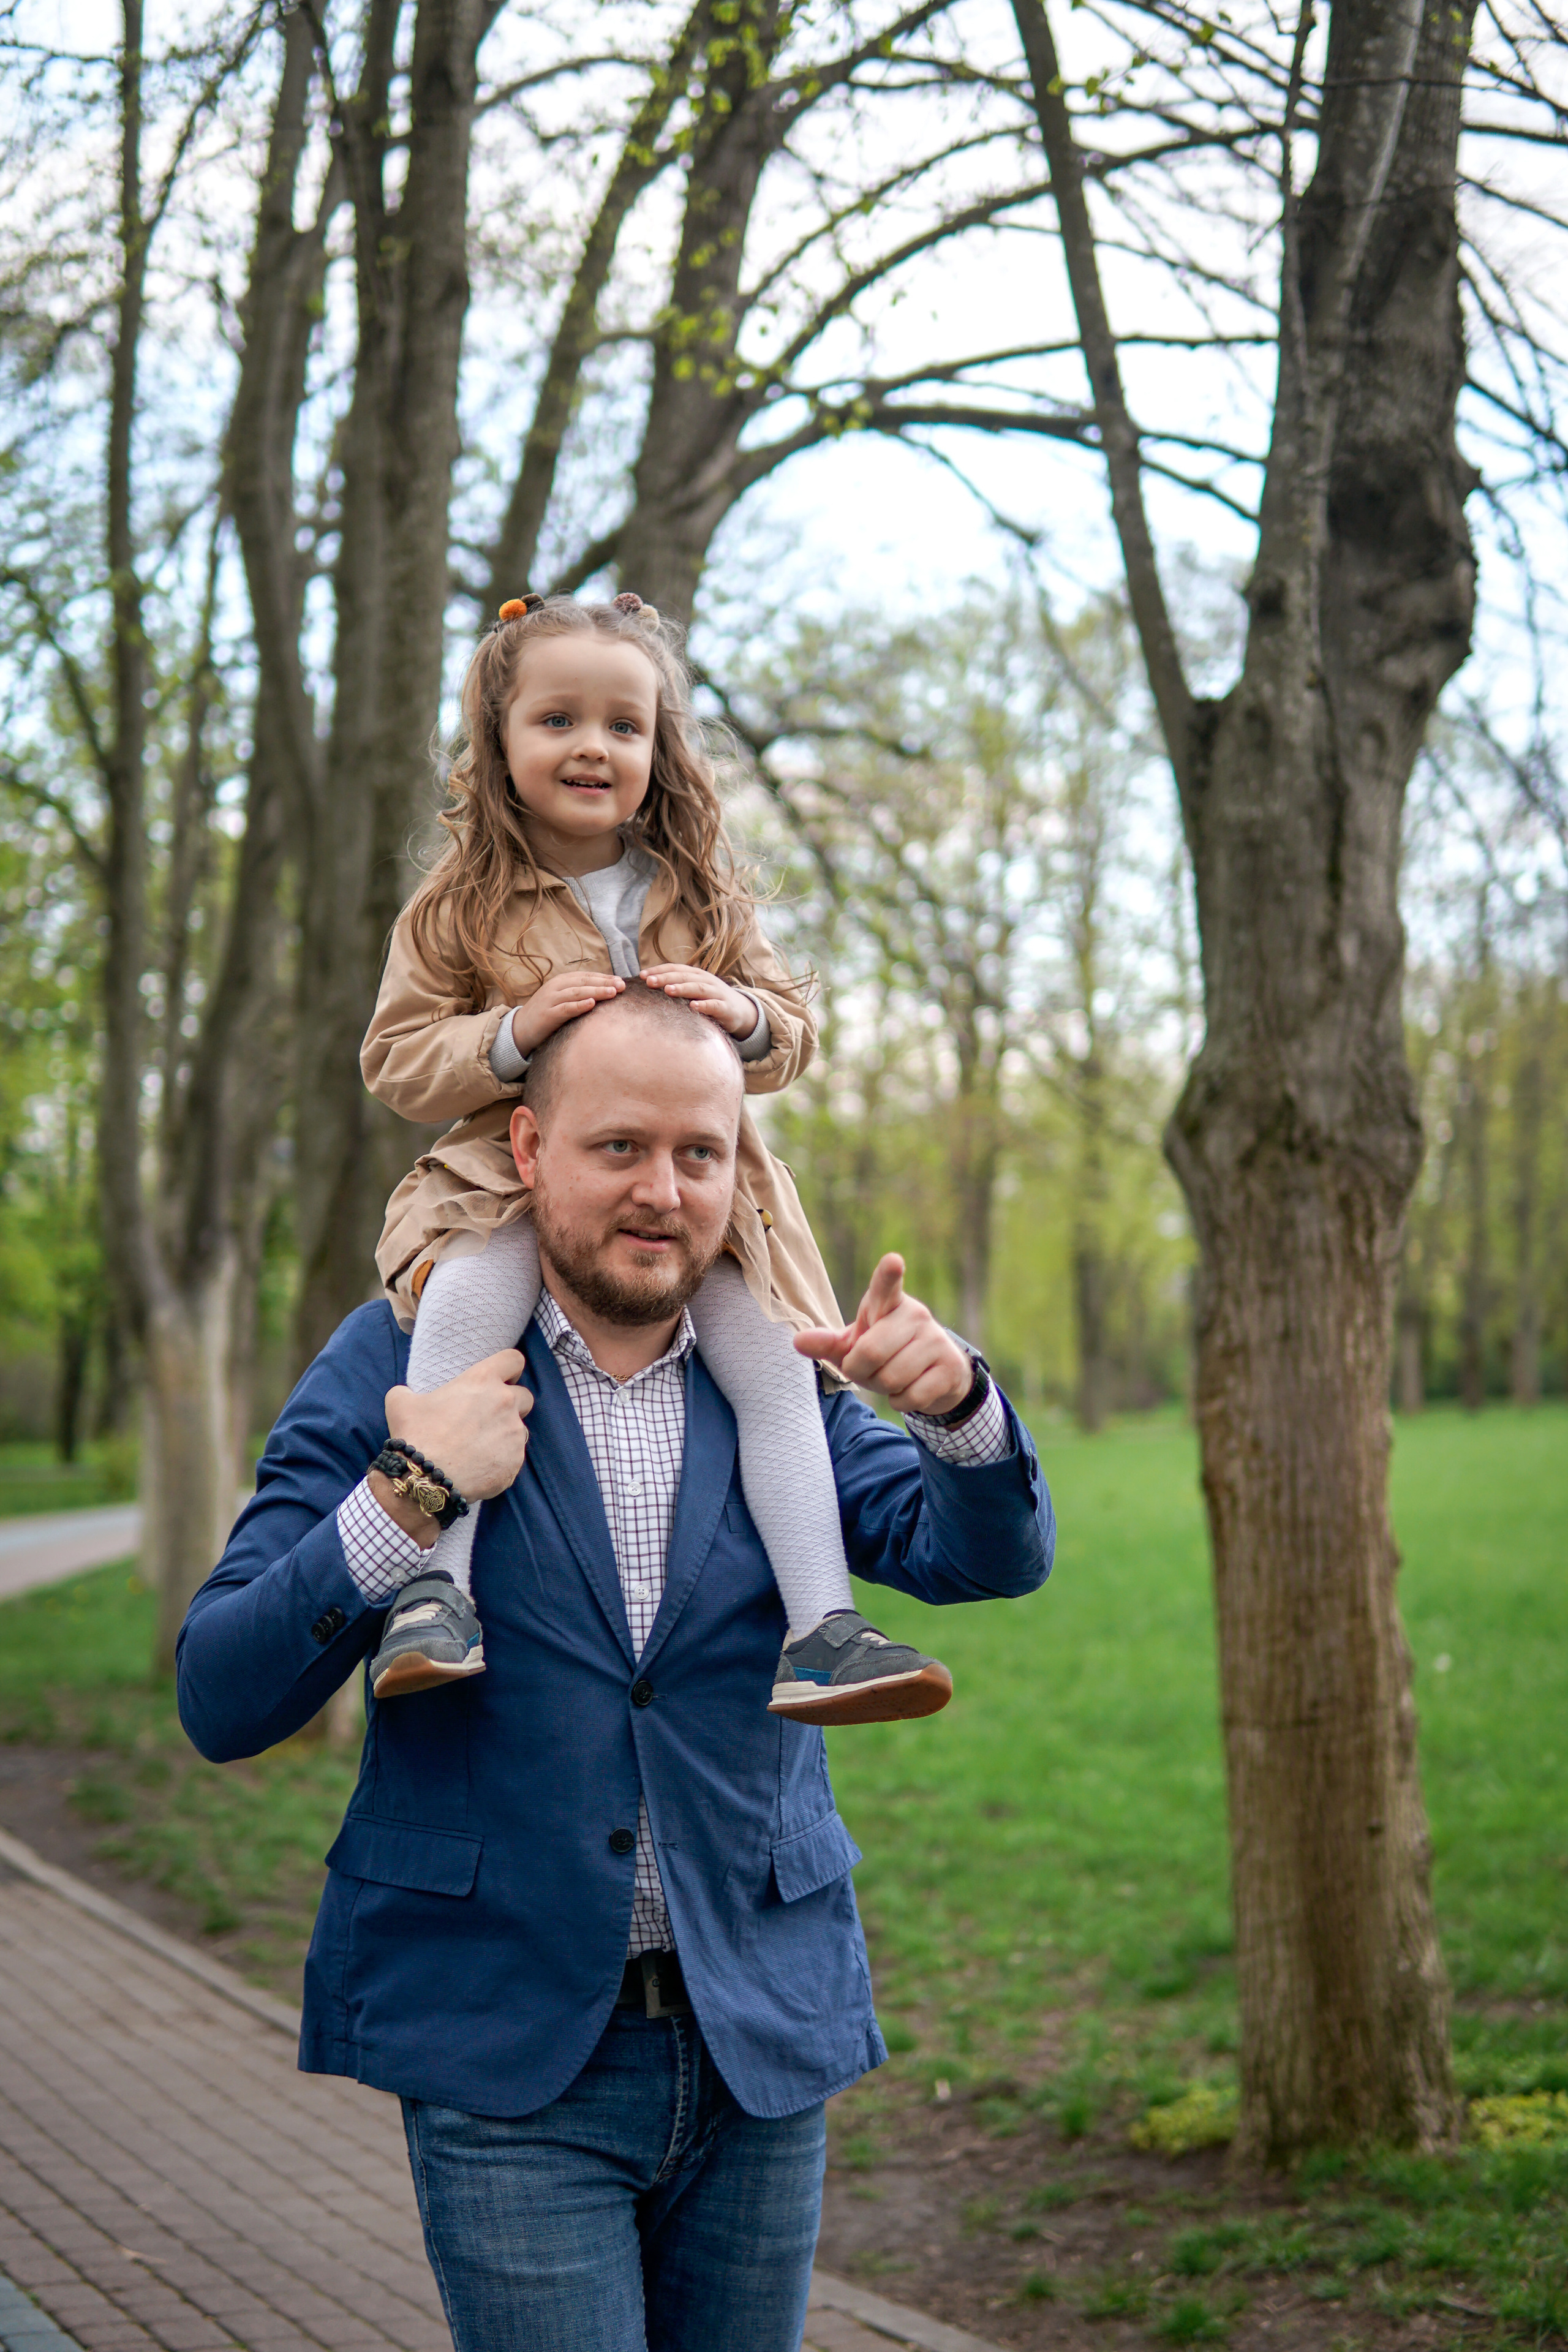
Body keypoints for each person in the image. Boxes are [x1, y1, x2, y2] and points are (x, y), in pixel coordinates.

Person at [177, 981, 1054, 2352]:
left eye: (699, 1153)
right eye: (619, 1148)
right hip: (508, 2053)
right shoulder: (403, 1354)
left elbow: (982, 1557)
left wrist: (952, 1406)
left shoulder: (778, 1374)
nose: (663, 1192)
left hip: (756, 2038)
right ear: (527, 1149)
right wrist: (408, 1492)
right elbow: (221, 1694)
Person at [360, 586, 954, 1728]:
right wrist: (512, 1035)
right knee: (465, 1319)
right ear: (501, 741)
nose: (594, 746)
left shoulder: (698, 888)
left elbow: (794, 1032)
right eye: (560, 720)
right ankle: (434, 1592)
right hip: (509, 1175)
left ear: (658, 748)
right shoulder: (458, 906)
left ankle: (823, 1629)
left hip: (689, 1196)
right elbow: (395, 1060)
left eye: (624, 726)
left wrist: (739, 1012)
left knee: (775, 1369)